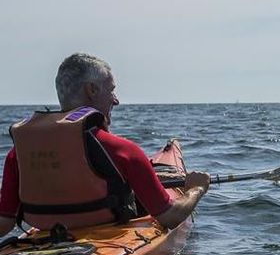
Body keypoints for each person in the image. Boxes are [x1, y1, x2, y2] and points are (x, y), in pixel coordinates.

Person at [0, 53, 210, 238]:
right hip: (102, 244)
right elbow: (169, 217)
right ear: (92, 89)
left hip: (45, 244)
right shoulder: (122, 150)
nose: (116, 100)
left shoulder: (18, 153)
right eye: (111, 90)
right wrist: (196, 189)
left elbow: (5, 222)